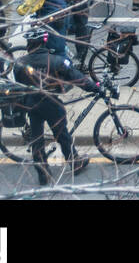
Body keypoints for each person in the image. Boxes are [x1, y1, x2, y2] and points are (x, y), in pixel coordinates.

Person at [13, 29, 99, 182]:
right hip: (51, 102)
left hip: (32, 104)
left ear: (29, 44)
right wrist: (95, 87)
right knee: (62, 134)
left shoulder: (20, 64)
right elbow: (77, 78)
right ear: (44, 42)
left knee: (37, 139)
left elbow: (19, 85)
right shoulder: (57, 61)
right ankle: (74, 162)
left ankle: (43, 173)